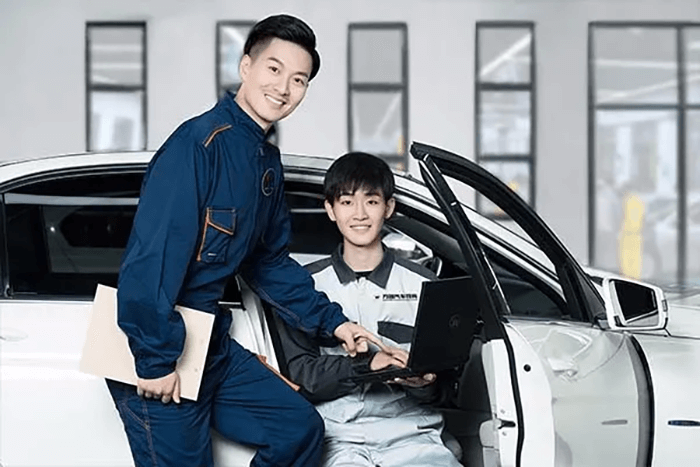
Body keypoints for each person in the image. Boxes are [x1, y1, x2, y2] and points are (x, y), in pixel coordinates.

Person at [107, 15, 384, 467]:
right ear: (245, 67)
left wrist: (335, 324)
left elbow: (268, 263)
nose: (284, 88)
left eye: (299, 80)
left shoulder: (265, 162)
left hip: (209, 344)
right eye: (274, 69)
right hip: (161, 346)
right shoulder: (197, 145)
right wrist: (155, 360)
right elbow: (152, 261)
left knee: (298, 430)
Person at [276, 152, 463, 466]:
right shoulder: (304, 288)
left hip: (414, 438)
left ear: (388, 208)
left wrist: (423, 384)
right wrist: (369, 365)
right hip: (336, 440)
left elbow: (447, 386)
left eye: (372, 201)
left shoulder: (425, 285)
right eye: (347, 202)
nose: (360, 214)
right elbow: (301, 376)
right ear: (330, 209)